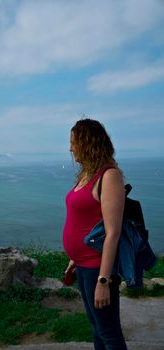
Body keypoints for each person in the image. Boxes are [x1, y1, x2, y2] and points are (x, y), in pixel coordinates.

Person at [63, 117, 127, 350]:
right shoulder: (86, 174)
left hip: (97, 266)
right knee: (97, 328)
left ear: (87, 142)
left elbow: (113, 232)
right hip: (83, 264)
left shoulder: (109, 176)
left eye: (73, 142)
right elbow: (87, 221)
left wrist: (103, 280)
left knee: (109, 332)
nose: (70, 149)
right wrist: (75, 257)